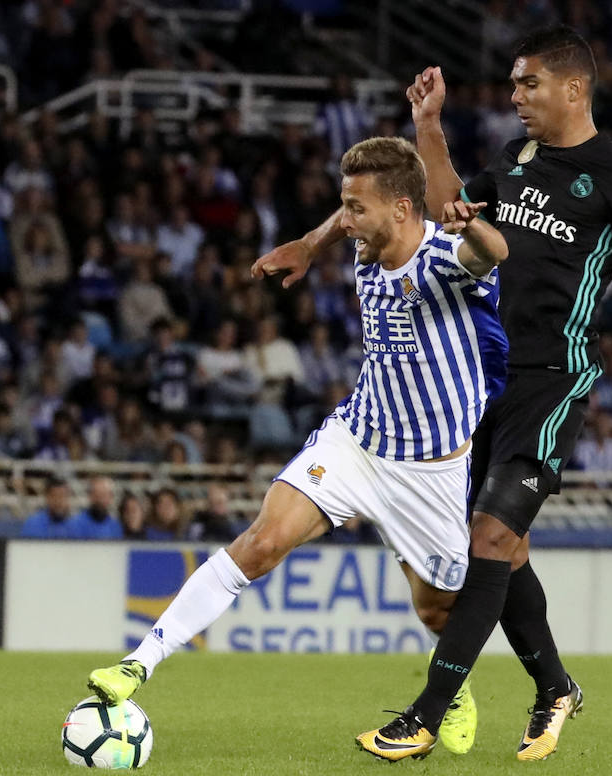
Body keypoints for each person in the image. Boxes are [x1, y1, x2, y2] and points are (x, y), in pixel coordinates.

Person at [250, 26, 612, 763]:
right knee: (502, 550)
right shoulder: (516, 160)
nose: (515, 97)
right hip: (477, 383)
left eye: (528, 85)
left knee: (488, 538)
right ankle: (554, 687)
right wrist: (416, 140)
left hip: (550, 384)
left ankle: (426, 713)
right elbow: (438, 209)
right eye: (515, 85)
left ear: (573, 88)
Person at [85, 136, 510, 736]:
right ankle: (136, 664)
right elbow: (346, 218)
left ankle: (450, 685)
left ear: (402, 209)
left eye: (359, 208)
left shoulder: (443, 258)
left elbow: (492, 254)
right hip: (358, 441)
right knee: (260, 543)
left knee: (437, 609)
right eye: (347, 205)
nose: (350, 220)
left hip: (431, 469)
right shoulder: (369, 245)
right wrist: (311, 244)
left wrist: (478, 227)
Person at [70, 475, 123, 539]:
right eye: (97, 495)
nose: (100, 500)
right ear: (89, 496)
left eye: (104, 495)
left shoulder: (116, 526)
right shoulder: (75, 524)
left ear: (110, 497)